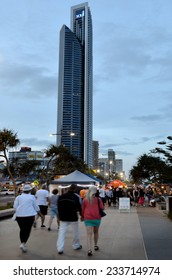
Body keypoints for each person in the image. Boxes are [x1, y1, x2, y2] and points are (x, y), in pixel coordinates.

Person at [13, 184, 42, 252]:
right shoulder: (32, 197)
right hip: (29, 216)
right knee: (27, 230)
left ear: (23, 191)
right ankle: (23, 243)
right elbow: (36, 207)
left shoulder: (18, 197)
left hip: (19, 216)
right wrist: (40, 214)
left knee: (22, 230)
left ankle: (22, 243)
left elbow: (15, 206)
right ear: (29, 190)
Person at [57, 184, 82, 254]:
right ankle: (76, 245)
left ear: (68, 188)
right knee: (75, 232)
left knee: (61, 233)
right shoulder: (76, 197)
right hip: (73, 217)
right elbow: (79, 207)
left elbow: (58, 207)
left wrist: (59, 216)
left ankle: (60, 248)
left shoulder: (61, 196)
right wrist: (81, 215)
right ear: (74, 189)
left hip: (63, 217)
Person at [82, 186, 104, 256]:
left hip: (88, 218)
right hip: (97, 218)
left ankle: (89, 249)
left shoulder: (85, 200)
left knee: (89, 234)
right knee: (96, 232)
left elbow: (82, 209)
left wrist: (82, 216)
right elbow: (102, 208)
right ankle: (95, 245)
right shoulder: (98, 199)